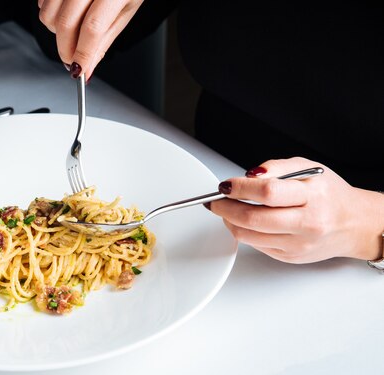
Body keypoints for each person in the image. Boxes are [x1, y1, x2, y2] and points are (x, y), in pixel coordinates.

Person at [37, 0, 384, 266]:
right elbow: (65, 35)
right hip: (205, 188)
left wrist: (366, 224)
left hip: (355, 268)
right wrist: (78, 18)